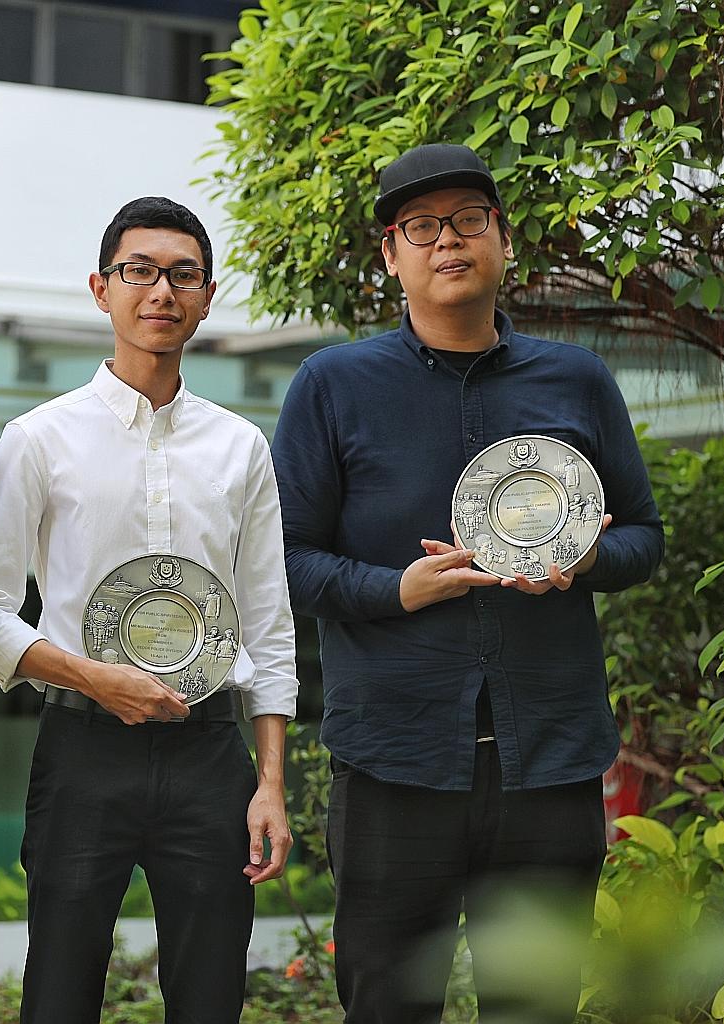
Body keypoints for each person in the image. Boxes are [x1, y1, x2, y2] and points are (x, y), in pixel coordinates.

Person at [271, 144, 664, 1024]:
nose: (447, 240)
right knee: (386, 1005)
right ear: (391, 254)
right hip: (393, 767)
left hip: (550, 767)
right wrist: (393, 591)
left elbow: (644, 537)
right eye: (420, 226)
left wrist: (588, 562)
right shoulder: (333, 386)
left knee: (536, 1007)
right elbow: (281, 564)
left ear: (503, 240)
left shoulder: (577, 380)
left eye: (467, 219)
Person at [0, 197, 298, 1024]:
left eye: (183, 275)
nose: (160, 293)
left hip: (212, 757)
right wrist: (93, 678)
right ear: (101, 289)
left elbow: (270, 624)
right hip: (82, 752)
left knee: (211, 999)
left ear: (208, 297)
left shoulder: (241, 447)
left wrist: (271, 781)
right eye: (138, 272)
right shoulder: (39, 438)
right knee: (59, 998)